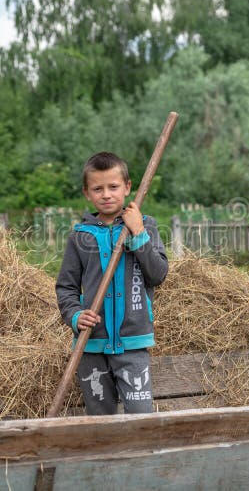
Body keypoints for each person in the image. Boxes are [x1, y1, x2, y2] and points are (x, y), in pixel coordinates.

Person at [56, 151, 169, 414]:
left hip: (133, 343)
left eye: (114, 187)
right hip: (91, 344)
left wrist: (138, 234)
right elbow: (66, 287)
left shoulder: (145, 226)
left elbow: (158, 274)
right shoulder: (80, 236)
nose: (106, 194)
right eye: (98, 188)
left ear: (128, 187)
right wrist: (74, 316)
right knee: (100, 419)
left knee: (141, 416)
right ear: (87, 193)